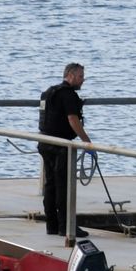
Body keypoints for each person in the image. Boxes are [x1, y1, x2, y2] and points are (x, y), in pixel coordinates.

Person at [38, 62, 92, 237]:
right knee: (63, 187)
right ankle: (65, 227)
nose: (83, 80)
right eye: (80, 76)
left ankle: (52, 225)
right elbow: (72, 119)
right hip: (60, 145)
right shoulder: (68, 95)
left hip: (44, 141)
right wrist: (87, 142)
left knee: (50, 185)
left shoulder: (48, 92)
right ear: (70, 75)